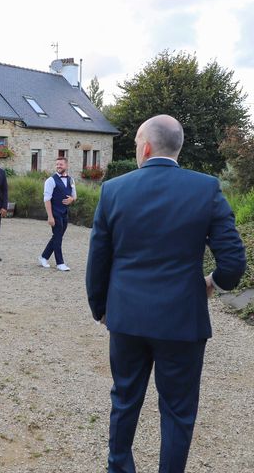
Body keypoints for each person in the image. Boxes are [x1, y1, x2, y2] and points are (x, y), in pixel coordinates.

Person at [86, 114, 246, 473]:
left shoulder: (114, 190)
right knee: (177, 411)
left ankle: (119, 468)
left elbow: (99, 258)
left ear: (144, 147)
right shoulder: (206, 188)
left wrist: (101, 308)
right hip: (182, 320)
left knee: (125, 400)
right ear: (178, 147)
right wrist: (212, 284)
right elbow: (234, 261)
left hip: (126, 318)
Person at [38, 157, 76, 271]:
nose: (59, 166)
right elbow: (47, 199)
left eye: (61, 164)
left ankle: (43, 257)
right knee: (58, 238)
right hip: (55, 213)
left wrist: (72, 200)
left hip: (65, 213)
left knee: (57, 236)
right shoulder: (50, 180)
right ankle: (60, 263)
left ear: (66, 166)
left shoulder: (71, 180)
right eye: (57, 164)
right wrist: (50, 216)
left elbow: (74, 195)